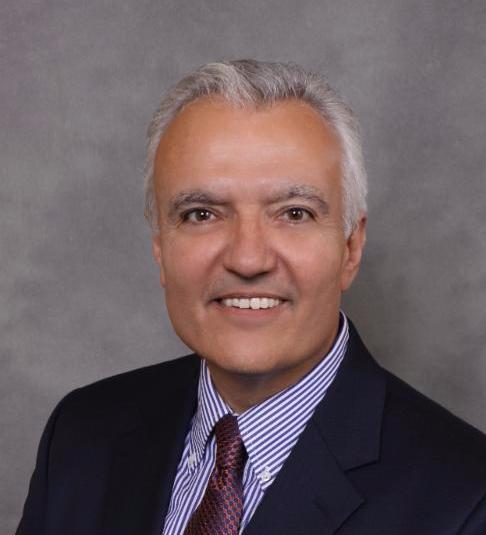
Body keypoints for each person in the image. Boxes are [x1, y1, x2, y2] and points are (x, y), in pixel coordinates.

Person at [17, 60, 486, 535]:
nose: (247, 259)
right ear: (160, 247)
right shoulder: (80, 437)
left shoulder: (467, 500)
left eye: (294, 214)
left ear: (350, 247)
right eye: (201, 214)